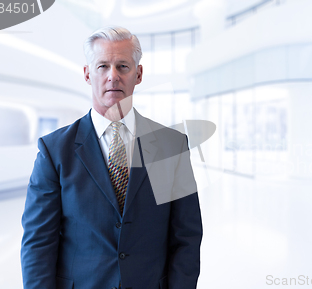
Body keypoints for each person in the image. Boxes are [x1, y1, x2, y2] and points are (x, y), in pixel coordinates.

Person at [20, 26, 202, 289]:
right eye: (103, 66)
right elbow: (38, 243)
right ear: (87, 74)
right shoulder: (55, 151)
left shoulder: (171, 147)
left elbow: (187, 237)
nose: (112, 77)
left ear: (138, 74)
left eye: (123, 66)